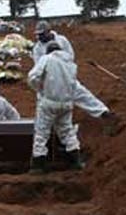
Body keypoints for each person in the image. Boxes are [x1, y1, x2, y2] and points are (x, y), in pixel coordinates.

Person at [31, 20, 110, 119]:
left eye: (42, 34)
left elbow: (70, 56)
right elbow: (39, 65)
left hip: (65, 74)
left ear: (49, 31)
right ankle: (47, 124)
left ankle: (104, 113)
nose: (39, 37)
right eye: (38, 34)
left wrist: (59, 62)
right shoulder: (37, 48)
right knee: (44, 101)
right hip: (50, 79)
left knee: (81, 94)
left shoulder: (61, 40)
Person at [28, 41, 82, 174]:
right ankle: (76, 161)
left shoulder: (47, 59)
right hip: (67, 104)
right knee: (67, 131)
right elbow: (74, 85)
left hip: (49, 103)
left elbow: (33, 76)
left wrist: (40, 89)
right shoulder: (71, 64)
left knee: (42, 132)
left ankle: (38, 165)